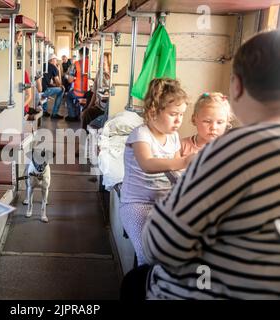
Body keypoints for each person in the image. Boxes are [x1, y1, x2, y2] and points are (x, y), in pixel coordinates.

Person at [123, 30, 280, 300]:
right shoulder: (151, 138)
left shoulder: (227, 153)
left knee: (135, 282)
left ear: (237, 86)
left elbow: (161, 245)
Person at [119, 78, 194, 267]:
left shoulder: (174, 137)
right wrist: (184, 161)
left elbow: (175, 173)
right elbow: (148, 164)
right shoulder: (141, 134)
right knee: (148, 253)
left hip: (164, 203)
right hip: (136, 204)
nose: (179, 120)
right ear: (153, 112)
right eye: (173, 114)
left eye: (182, 114)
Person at [181, 92, 233, 157]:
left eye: (219, 122)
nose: (213, 127)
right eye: (207, 121)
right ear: (194, 120)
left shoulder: (228, 149)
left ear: (227, 122)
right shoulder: (180, 146)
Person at [81, 52, 111, 131]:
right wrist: (88, 107)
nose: (99, 64)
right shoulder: (99, 74)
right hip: (99, 107)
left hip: (110, 108)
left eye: (102, 62)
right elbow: (94, 93)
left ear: (109, 63)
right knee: (87, 113)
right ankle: (85, 138)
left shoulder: (114, 76)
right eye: (99, 61)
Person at [65, 47, 89, 122]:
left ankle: (72, 116)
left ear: (80, 54)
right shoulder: (92, 63)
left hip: (78, 92)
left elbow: (70, 80)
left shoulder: (76, 64)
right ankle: (77, 113)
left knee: (68, 96)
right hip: (89, 93)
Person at [41, 54, 64, 119]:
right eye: (56, 60)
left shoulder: (42, 65)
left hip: (39, 90)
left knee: (46, 88)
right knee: (61, 90)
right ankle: (54, 113)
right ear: (52, 60)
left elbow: (45, 80)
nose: (56, 61)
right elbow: (58, 82)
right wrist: (58, 70)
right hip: (45, 91)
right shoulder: (53, 67)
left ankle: (44, 111)